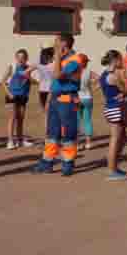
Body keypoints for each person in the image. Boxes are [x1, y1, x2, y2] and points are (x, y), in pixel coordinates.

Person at [32, 33, 82, 177]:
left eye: (56, 42)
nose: (54, 45)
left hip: (67, 100)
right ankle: (47, 163)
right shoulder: (61, 59)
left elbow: (58, 76)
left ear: (64, 44)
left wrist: (58, 57)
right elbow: (54, 83)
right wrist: (49, 101)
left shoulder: (74, 60)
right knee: (52, 134)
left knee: (68, 133)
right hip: (55, 98)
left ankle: (67, 163)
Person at [98, 50, 127, 180]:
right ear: (115, 60)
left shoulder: (103, 74)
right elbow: (126, 89)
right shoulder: (113, 76)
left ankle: (114, 168)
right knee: (115, 139)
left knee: (119, 139)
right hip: (115, 108)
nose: (122, 62)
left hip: (110, 107)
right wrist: (125, 90)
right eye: (120, 59)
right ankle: (112, 170)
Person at [1, 49, 33, 150]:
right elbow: (2, 81)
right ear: (16, 58)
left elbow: (31, 81)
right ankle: (10, 141)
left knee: (21, 118)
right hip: (12, 95)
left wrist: (29, 77)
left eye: (23, 57)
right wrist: (9, 93)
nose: (20, 59)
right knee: (12, 117)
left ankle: (20, 140)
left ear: (26, 59)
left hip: (23, 96)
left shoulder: (28, 68)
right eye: (18, 57)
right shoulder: (12, 66)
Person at [30, 46, 54, 139]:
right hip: (51, 90)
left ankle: (47, 136)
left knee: (46, 114)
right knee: (53, 114)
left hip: (42, 90)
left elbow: (25, 73)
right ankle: (52, 135)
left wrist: (35, 81)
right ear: (50, 56)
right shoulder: (54, 64)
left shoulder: (38, 64)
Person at [77, 55, 98, 152]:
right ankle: (88, 143)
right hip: (88, 97)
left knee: (77, 121)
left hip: (77, 98)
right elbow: (100, 78)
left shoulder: (74, 72)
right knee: (87, 120)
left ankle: (78, 143)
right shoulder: (88, 72)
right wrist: (96, 87)